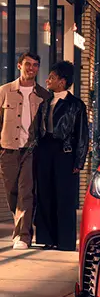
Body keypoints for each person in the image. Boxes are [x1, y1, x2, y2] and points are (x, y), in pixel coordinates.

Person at [34, 61, 90, 251]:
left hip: (65, 153)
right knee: (45, 194)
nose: (47, 80)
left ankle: (65, 242)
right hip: (45, 151)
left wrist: (79, 161)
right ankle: (47, 238)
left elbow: (83, 135)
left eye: (52, 77)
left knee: (64, 198)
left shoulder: (76, 105)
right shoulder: (45, 102)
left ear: (62, 81)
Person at [0, 52, 52, 250]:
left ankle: (23, 235)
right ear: (19, 65)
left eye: (36, 65)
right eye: (28, 64)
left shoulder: (43, 95)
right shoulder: (4, 91)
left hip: (31, 151)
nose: (32, 68)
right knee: (11, 192)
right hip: (8, 150)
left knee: (26, 192)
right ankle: (20, 225)